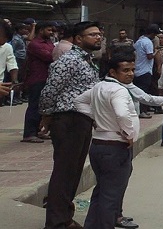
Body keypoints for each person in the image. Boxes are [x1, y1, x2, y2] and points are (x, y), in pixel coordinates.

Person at [76, 46, 163, 229]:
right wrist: (128, 134)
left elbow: (79, 101)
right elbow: (122, 115)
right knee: (110, 195)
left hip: (99, 145)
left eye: (132, 70)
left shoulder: (101, 86)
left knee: (102, 191)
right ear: (113, 71)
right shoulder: (118, 91)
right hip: (114, 147)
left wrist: (95, 118)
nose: (130, 74)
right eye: (125, 70)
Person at [40, 21, 105, 229]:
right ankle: (57, 222)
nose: (98, 37)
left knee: (73, 171)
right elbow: (51, 89)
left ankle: (64, 216)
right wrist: (46, 115)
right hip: (69, 119)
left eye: (99, 34)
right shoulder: (70, 60)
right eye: (92, 34)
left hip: (82, 120)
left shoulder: (86, 60)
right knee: (64, 171)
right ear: (78, 39)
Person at [22, 21, 55, 143]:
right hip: (37, 78)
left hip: (47, 77)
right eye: (49, 30)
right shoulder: (35, 44)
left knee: (42, 106)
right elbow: (50, 56)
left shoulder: (49, 43)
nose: (51, 32)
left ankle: (37, 131)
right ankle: (29, 133)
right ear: (40, 30)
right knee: (34, 106)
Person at [132, 25, 161, 116]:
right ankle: (142, 111)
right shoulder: (148, 42)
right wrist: (156, 51)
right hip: (145, 70)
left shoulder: (138, 41)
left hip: (137, 69)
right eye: (155, 34)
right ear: (152, 33)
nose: (155, 36)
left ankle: (138, 110)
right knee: (143, 92)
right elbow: (150, 56)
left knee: (137, 92)